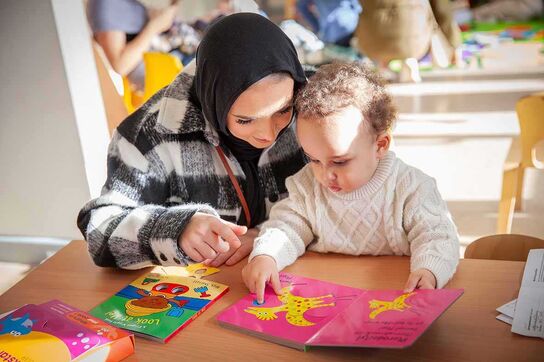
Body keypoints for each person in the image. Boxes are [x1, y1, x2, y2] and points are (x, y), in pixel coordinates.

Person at [77, 13, 308, 270]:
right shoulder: (150, 134)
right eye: (245, 120)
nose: (268, 134)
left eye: (283, 111)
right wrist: (175, 230)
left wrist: (268, 235)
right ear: (214, 101)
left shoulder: (318, 105)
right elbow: (99, 230)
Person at [242, 61, 460, 303]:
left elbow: (438, 236)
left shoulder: (411, 187)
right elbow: (287, 226)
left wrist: (428, 271)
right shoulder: (307, 185)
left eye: (340, 161)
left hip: (393, 296)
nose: (325, 175)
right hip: (327, 296)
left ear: (380, 145)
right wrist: (267, 255)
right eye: (314, 159)